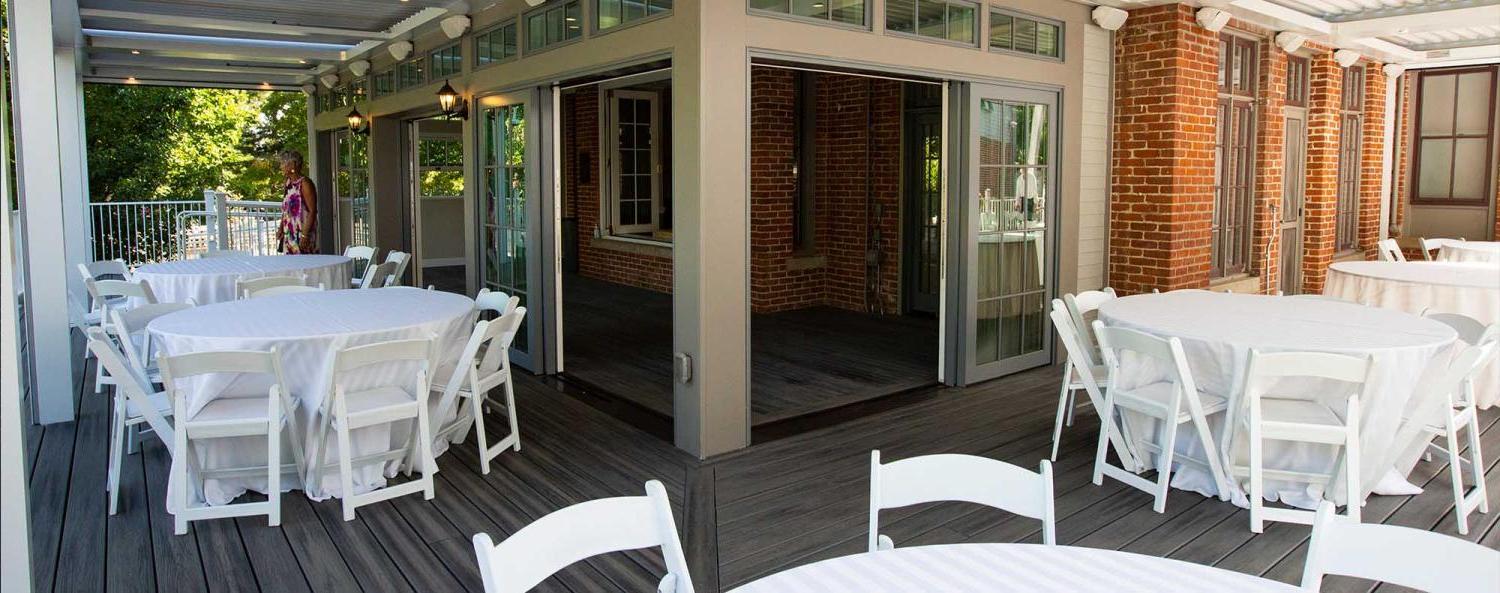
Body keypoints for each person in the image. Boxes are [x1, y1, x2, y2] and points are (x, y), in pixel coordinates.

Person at [276, 150, 318, 254]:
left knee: (305, 265)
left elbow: (312, 211)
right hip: (289, 233)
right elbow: (286, 209)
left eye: (283, 164)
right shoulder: (288, 182)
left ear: (292, 165)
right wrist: (281, 228)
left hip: (303, 233)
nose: (281, 167)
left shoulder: (305, 183)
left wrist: (305, 234)